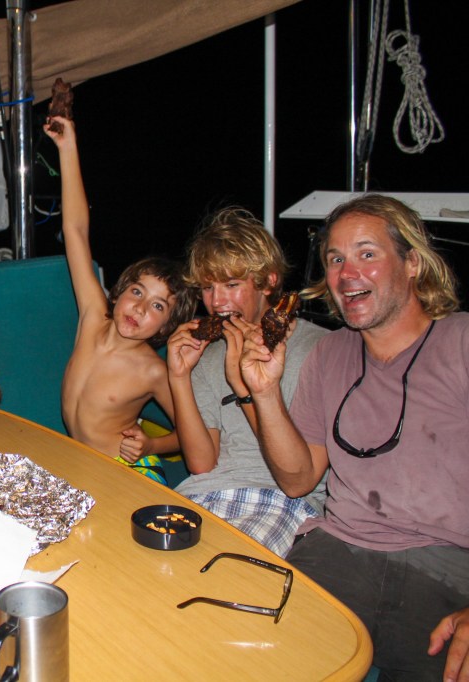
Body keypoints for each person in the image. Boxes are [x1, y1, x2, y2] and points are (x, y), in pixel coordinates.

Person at [240, 194, 468, 680]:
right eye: (336, 259)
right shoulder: (329, 355)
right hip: (337, 552)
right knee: (253, 662)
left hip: (450, 567)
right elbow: (299, 479)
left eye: (367, 253)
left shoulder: (461, 341)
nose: (348, 273)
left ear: (412, 263)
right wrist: (264, 392)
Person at [165, 207, 327, 556]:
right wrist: (178, 376)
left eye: (231, 285)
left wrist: (244, 387)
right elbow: (201, 464)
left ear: (268, 282)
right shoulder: (208, 357)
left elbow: (299, 481)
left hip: (279, 499)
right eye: (207, 287)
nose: (216, 301)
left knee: (227, 569)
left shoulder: (320, 350)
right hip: (203, 492)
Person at [44, 115, 196, 485]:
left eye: (158, 306)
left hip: (129, 473)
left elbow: (194, 436)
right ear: (119, 292)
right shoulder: (92, 317)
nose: (141, 308)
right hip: (81, 465)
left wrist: (151, 445)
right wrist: (67, 147)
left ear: (166, 326)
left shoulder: (153, 371)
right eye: (137, 292)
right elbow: (75, 230)